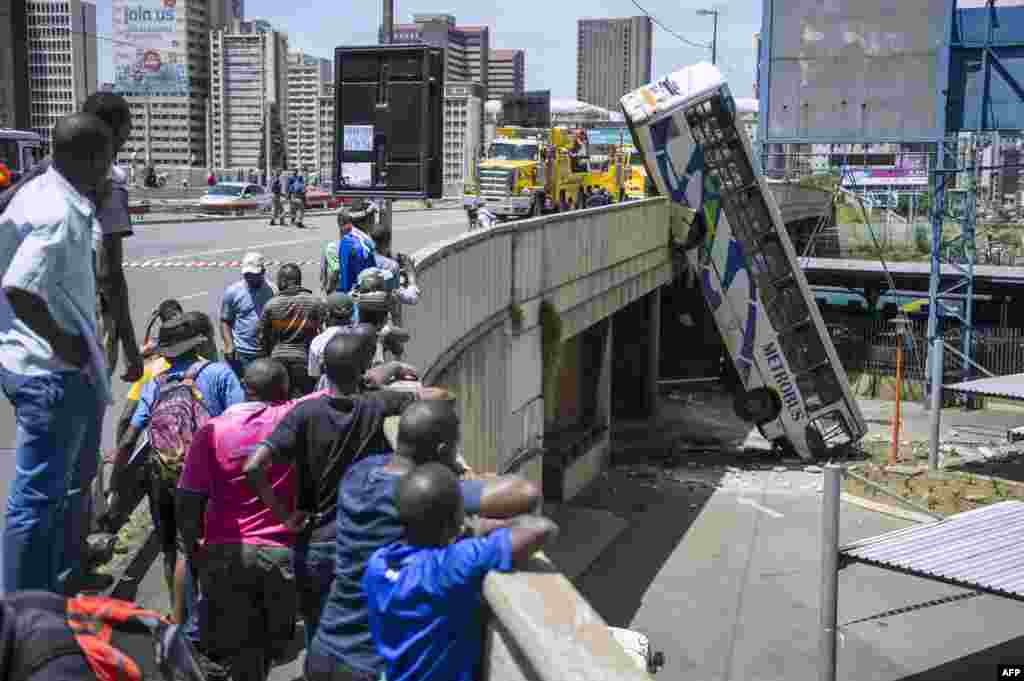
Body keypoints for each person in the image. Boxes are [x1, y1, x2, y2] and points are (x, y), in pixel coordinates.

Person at [304, 399, 544, 681]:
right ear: (443, 451)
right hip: (369, 665)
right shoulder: (418, 491)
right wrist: (458, 481)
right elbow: (525, 493)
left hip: (325, 647)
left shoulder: (359, 473)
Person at [244, 333, 441, 649]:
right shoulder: (376, 405)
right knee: (360, 634)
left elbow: (253, 466)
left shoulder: (304, 413)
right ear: (362, 370)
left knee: (317, 631)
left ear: (324, 368)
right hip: (359, 540)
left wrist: (283, 516)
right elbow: (438, 397)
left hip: (313, 540)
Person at [0, 112, 114, 595]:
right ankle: (25, 615)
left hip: (50, 366)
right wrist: (61, 341)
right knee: (38, 498)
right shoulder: (58, 213)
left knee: (67, 488)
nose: (111, 169)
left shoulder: (49, 194)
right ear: (88, 159)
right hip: (50, 372)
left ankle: (59, 588)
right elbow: (21, 287)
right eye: (107, 158)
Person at [108, 317, 244, 627]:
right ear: (198, 343)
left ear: (166, 353)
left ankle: (179, 617)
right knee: (205, 545)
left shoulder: (156, 382)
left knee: (171, 549)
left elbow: (130, 437)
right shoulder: (220, 374)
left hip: (162, 476)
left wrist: (116, 483)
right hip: (207, 478)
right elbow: (238, 425)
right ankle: (211, 618)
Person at [0, 94, 145, 384]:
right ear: (114, 132)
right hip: (67, 331)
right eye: (127, 130)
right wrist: (129, 345)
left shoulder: (47, 169)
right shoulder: (105, 182)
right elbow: (109, 275)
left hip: (19, 338)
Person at [366, 463, 558, 681]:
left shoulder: (378, 564)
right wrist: (479, 527)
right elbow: (542, 529)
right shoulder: (450, 566)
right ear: (456, 521)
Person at [177, 359, 303, 681]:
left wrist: (193, 548)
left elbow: (189, 496)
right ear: (285, 389)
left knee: (239, 646)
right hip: (280, 552)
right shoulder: (294, 416)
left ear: (245, 388)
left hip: (224, 552)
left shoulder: (212, 430)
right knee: (272, 644)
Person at [258, 263, 323, 398]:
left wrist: (267, 356)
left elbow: (261, 336)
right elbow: (320, 331)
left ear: (284, 281)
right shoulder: (314, 302)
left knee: (281, 401)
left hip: (278, 359)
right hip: (304, 359)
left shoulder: (271, 305)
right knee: (305, 399)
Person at [221, 252, 275, 376]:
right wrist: (229, 344)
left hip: (266, 353)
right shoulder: (232, 292)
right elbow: (225, 321)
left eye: (254, 275)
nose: (250, 278)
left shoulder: (273, 290)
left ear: (263, 272)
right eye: (247, 274)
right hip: (242, 353)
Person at [323, 209, 377, 297]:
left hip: (347, 291)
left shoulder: (334, 246)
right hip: (367, 288)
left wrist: (329, 288)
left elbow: (336, 270)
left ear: (340, 223)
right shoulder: (367, 240)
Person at [308, 292, 356, 390]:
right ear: (351, 314)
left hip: (327, 394)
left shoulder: (318, 341)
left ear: (327, 314)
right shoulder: (360, 335)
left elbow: (314, 373)